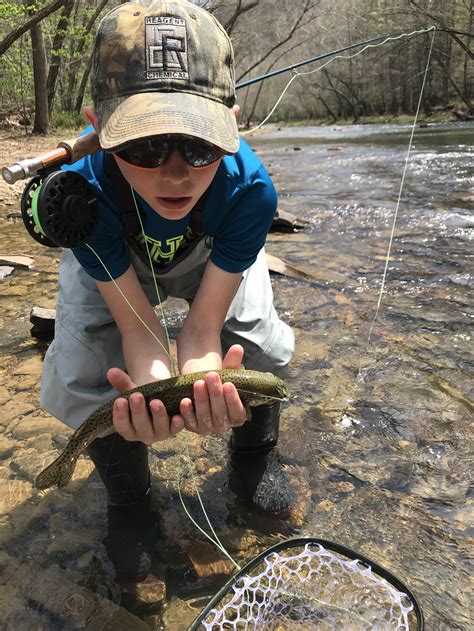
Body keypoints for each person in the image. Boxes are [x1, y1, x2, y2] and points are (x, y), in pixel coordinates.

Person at [40, 0, 295, 582]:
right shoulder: (80, 197)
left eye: (201, 147)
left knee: (255, 345)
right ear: (98, 129)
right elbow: (138, 328)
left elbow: (202, 329)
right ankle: (129, 497)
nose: (175, 173)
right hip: (111, 241)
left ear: (233, 123)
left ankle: (254, 455)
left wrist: (202, 382)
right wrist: (151, 393)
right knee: (85, 369)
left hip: (214, 238)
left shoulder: (250, 191)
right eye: (146, 147)